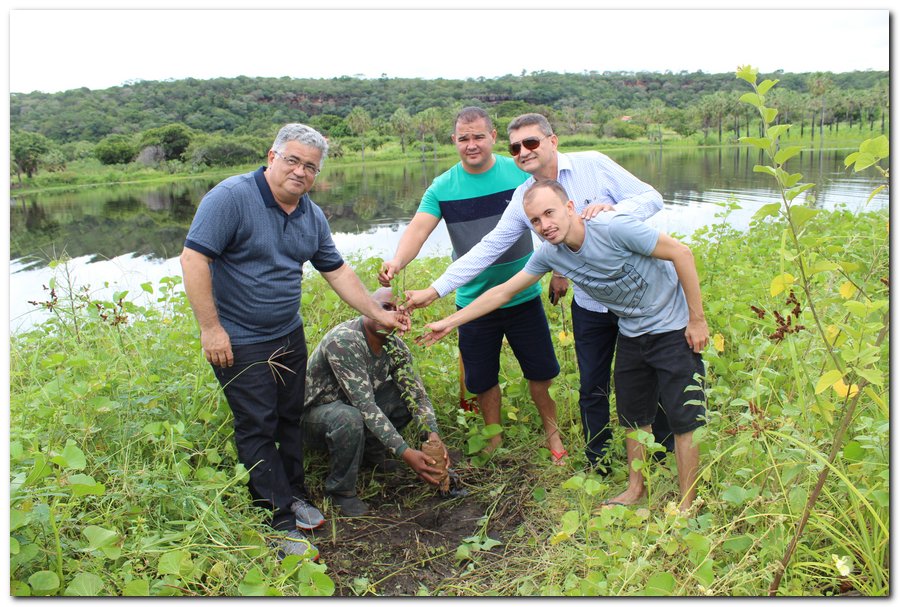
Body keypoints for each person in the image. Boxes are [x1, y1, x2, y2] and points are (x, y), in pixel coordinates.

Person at [180, 123, 409, 559]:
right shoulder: (230, 198)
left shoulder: (311, 214)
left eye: (310, 167)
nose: (300, 172)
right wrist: (211, 329)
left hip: (288, 334)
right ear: (272, 157)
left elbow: (336, 270)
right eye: (292, 160)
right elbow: (193, 259)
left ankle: (295, 495)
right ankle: (278, 520)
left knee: (289, 418)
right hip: (239, 340)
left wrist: (377, 313)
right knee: (257, 424)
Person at [403, 112, 673, 473]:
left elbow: (652, 197)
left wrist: (613, 213)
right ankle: (599, 463)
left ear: (552, 141)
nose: (524, 152)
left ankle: (664, 453)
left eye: (531, 142)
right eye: (516, 147)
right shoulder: (523, 197)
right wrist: (436, 290)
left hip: (639, 299)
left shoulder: (593, 164)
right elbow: (489, 248)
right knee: (592, 384)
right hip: (591, 301)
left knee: (650, 374)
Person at [418, 180, 708, 511]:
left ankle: (687, 504)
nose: (545, 225)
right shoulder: (550, 254)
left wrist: (696, 320)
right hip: (631, 331)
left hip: (672, 327)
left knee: (684, 417)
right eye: (535, 221)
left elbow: (681, 253)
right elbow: (503, 292)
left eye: (549, 213)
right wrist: (449, 322)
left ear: (570, 208)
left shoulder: (613, 228)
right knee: (633, 415)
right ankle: (634, 489)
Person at [378, 107, 566, 462]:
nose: (472, 145)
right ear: (454, 141)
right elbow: (418, 229)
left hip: (522, 294)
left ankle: (553, 436)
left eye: (479, 136)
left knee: (541, 371)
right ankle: (493, 439)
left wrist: (560, 271)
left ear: (493, 137)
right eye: (463, 138)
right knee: (481, 378)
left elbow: (553, 217)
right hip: (472, 301)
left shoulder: (520, 171)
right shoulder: (443, 187)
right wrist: (397, 261)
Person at [302, 287, 450, 516]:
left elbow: (417, 396)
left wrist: (432, 436)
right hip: (315, 416)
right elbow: (366, 407)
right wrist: (405, 452)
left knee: (404, 396)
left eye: (399, 310)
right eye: (386, 307)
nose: (393, 314)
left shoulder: (395, 346)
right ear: (367, 307)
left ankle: (371, 454)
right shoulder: (344, 341)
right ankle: (340, 491)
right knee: (349, 417)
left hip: (354, 408)